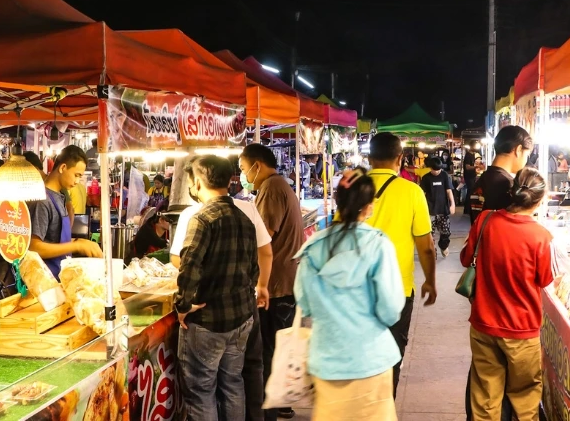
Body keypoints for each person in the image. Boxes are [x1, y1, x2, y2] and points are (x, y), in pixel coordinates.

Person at [294, 169, 403, 420]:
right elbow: (390, 309)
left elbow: (305, 304)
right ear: (368, 206)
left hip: (326, 361)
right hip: (371, 358)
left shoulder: (313, 247)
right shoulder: (378, 244)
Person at [170, 158, 274, 421]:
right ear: (229, 181)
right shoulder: (244, 217)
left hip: (208, 322)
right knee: (232, 385)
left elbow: (188, 266)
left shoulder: (202, 219)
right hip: (241, 318)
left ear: (197, 182)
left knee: (202, 392)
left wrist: (183, 306)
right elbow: (253, 268)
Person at [462, 168, 552, 421]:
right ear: (539, 200)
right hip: (522, 329)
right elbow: (544, 279)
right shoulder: (540, 236)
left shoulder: (485, 220)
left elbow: (466, 258)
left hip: (484, 324)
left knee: (485, 398)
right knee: (525, 399)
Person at [365, 132, 436, 395]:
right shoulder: (412, 191)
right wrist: (430, 280)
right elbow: (426, 246)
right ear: (401, 158)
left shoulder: (352, 189)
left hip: (356, 290)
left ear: (369, 158)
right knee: (391, 355)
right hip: (397, 290)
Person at [240, 144, 304, 421]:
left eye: (244, 169)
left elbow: (263, 236)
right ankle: (282, 405)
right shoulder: (277, 185)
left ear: (257, 165)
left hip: (276, 283)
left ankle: (270, 411)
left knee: (269, 350)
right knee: (277, 347)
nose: (243, 175)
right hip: (284, 280)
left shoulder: (272, 189)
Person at [28, 145, 102, 278]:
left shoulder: (59, 197)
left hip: (59, 277)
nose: (77, 181)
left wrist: (81, 242)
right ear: (62, 168)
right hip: (44, 281)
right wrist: (76, 245)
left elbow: (54, 239)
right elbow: (34, 247)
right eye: (76, 175)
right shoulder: (42, 201)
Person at [467, 126, 534, 225]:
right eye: (527, 155)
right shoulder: (505, 185)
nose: (525, 160)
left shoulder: (484, 179)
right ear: (518, 150)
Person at [420, 157, 455, 258]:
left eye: (438, 170)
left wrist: (452, 204)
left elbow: (449, 191)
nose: (436, 172)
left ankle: (443, 246)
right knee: (430, 234)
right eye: (434, 170)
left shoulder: (444, 175)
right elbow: (422, 193)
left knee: (446, 232)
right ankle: (432, 251)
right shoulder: (426, 178)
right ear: (430, 168)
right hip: (430, 210)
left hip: (443, 209)